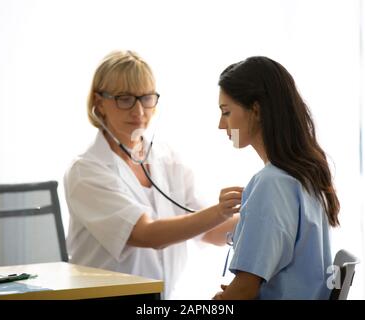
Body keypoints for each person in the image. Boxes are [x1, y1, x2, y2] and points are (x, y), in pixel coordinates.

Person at [63, 50, 241, 299]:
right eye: (124, 99)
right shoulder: (86, 171)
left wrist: (262, 215)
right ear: (99, 103)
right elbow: (148, 234)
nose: (138, 111)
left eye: (146, 98)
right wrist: (221, 210)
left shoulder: (167, 158)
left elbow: (209, 230)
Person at [212, 56, 340, 300]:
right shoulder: (305, 175)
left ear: (256, 110)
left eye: (226, 112)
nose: (221, 125)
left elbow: (244, 290)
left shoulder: (271, 183)